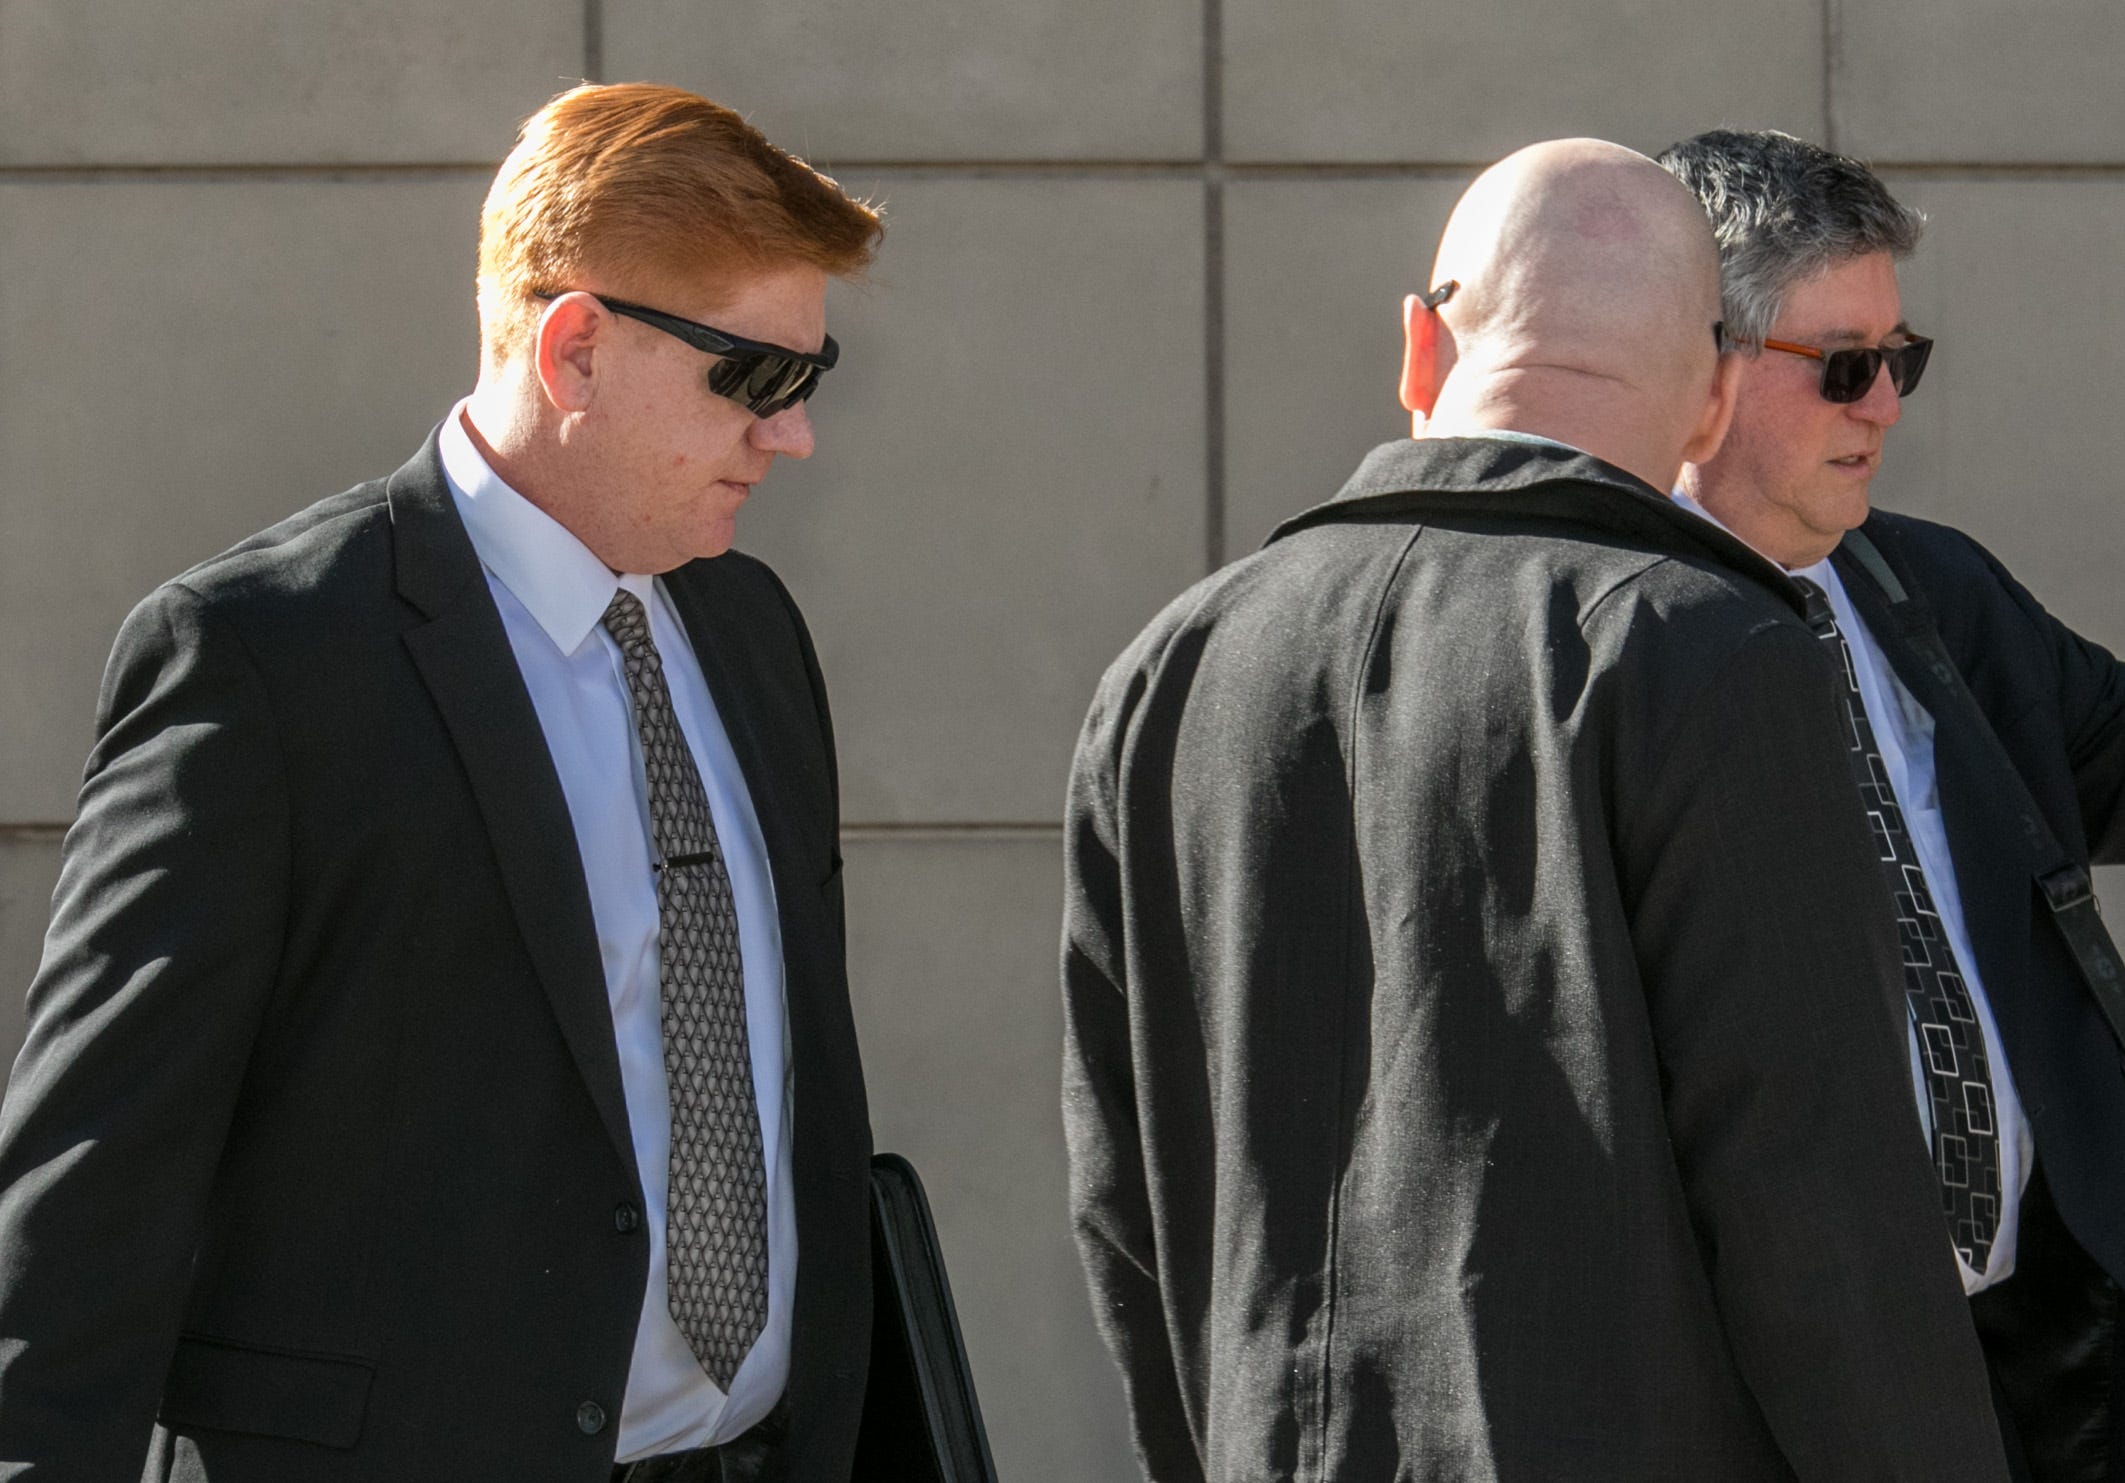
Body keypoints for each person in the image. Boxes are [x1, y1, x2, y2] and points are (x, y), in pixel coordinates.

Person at [1061, 138, 2015, 1481]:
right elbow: (1816, 1203)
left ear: (1419, 349)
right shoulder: (1710, 654)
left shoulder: (1167, 667)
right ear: (1708, 399)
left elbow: (1124, 1200)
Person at [0, 83, 881, 1482]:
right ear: (577, 348)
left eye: (808, 381)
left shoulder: (750, 632)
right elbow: (97, 1182)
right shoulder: (266, 657)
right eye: (756, 379)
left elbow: (798, 1113)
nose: (791, 435)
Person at [1662, 127, 2125, 1482]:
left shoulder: (1926, 586)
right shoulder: (1600, 641)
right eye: (1844, 367)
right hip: (1786, 1387)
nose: (1884, 407)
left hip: (2048, 1339)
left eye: (1899, 360)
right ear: (1701, 365)